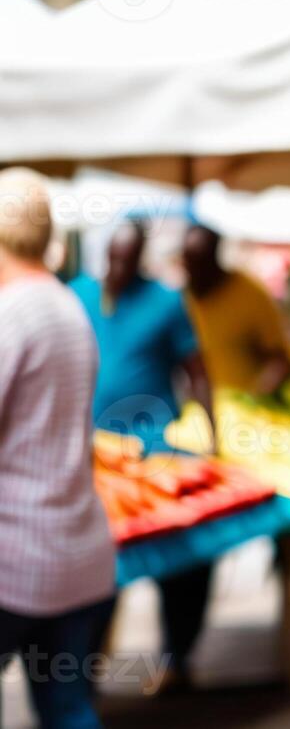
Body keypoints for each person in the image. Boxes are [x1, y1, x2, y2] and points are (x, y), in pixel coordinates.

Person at [71, 218, 214, 694]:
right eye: (112, 259)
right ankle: (81, 673)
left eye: (127, 261)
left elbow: (198, 371)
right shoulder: (80, 296)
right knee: (96, 567)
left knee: (183, 558)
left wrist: (210, 438)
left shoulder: (167, 302)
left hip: (155, 452)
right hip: (93, 455)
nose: (118, 269)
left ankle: (177, 657)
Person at [0, 169, 115, 729]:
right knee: (68, 709)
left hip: (16, 560)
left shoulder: (9, 314)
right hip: (79, 553)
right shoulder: (70, 308)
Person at [182, 223, 290, 395]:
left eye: (198, 263)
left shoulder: (249, 293)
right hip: (201, 411)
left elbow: (279, 358)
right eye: (188, 263)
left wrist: (256, 397)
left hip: (249, 410)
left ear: (214, 258)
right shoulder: (183, 299)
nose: (191, 271)